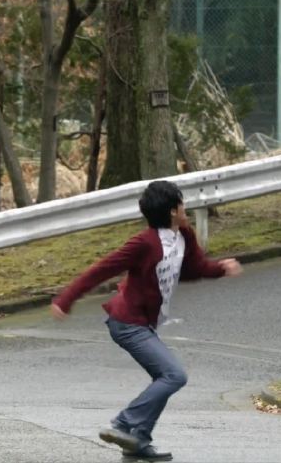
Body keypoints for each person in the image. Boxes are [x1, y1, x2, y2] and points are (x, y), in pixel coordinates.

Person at [50, 180, 242, 461]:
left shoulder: (183, 235)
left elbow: (192, 268)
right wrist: (66, 299)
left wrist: (220, 269)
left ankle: (137, 441)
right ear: (172, 211)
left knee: (162, 379)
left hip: (145, 323)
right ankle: (124, 423)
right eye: (181, 203)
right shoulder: (144, 243)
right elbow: (101, 270)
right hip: (127, 323)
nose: (185, 207)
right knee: (174, 375)